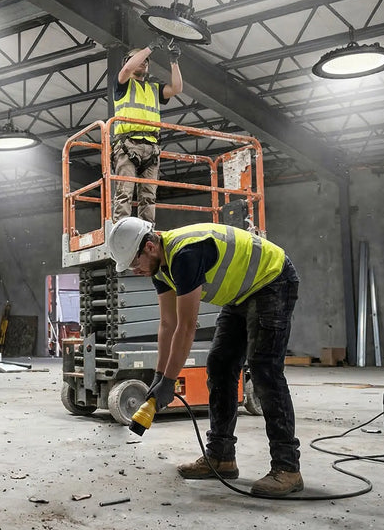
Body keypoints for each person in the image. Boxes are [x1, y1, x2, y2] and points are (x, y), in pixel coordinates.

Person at [108, 217, 303, 497]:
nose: (134, 270)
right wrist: (159, 377)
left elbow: (187, 326)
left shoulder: (185, 254)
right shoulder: (159, 268)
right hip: (241, 295)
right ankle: (221, 457)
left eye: (133, 263)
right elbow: (167, 324)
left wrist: (170, 381)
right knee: (220, 366)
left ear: (149, 247)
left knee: (264, 370)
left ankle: (287, 468)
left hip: (273, 280)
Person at [111, 40, 183, 224]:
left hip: (151, 147)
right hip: (128, 145)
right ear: (128, 61)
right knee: (124, 193)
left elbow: (177, 88)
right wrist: (149, 48)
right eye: (139, 59)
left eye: (146, 61)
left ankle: (146, 232)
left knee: (149, 196)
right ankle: (122, 230)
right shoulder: (122, 83)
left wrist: (174, 61)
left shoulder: (154, 89)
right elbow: (127, 70)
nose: (143, 62)